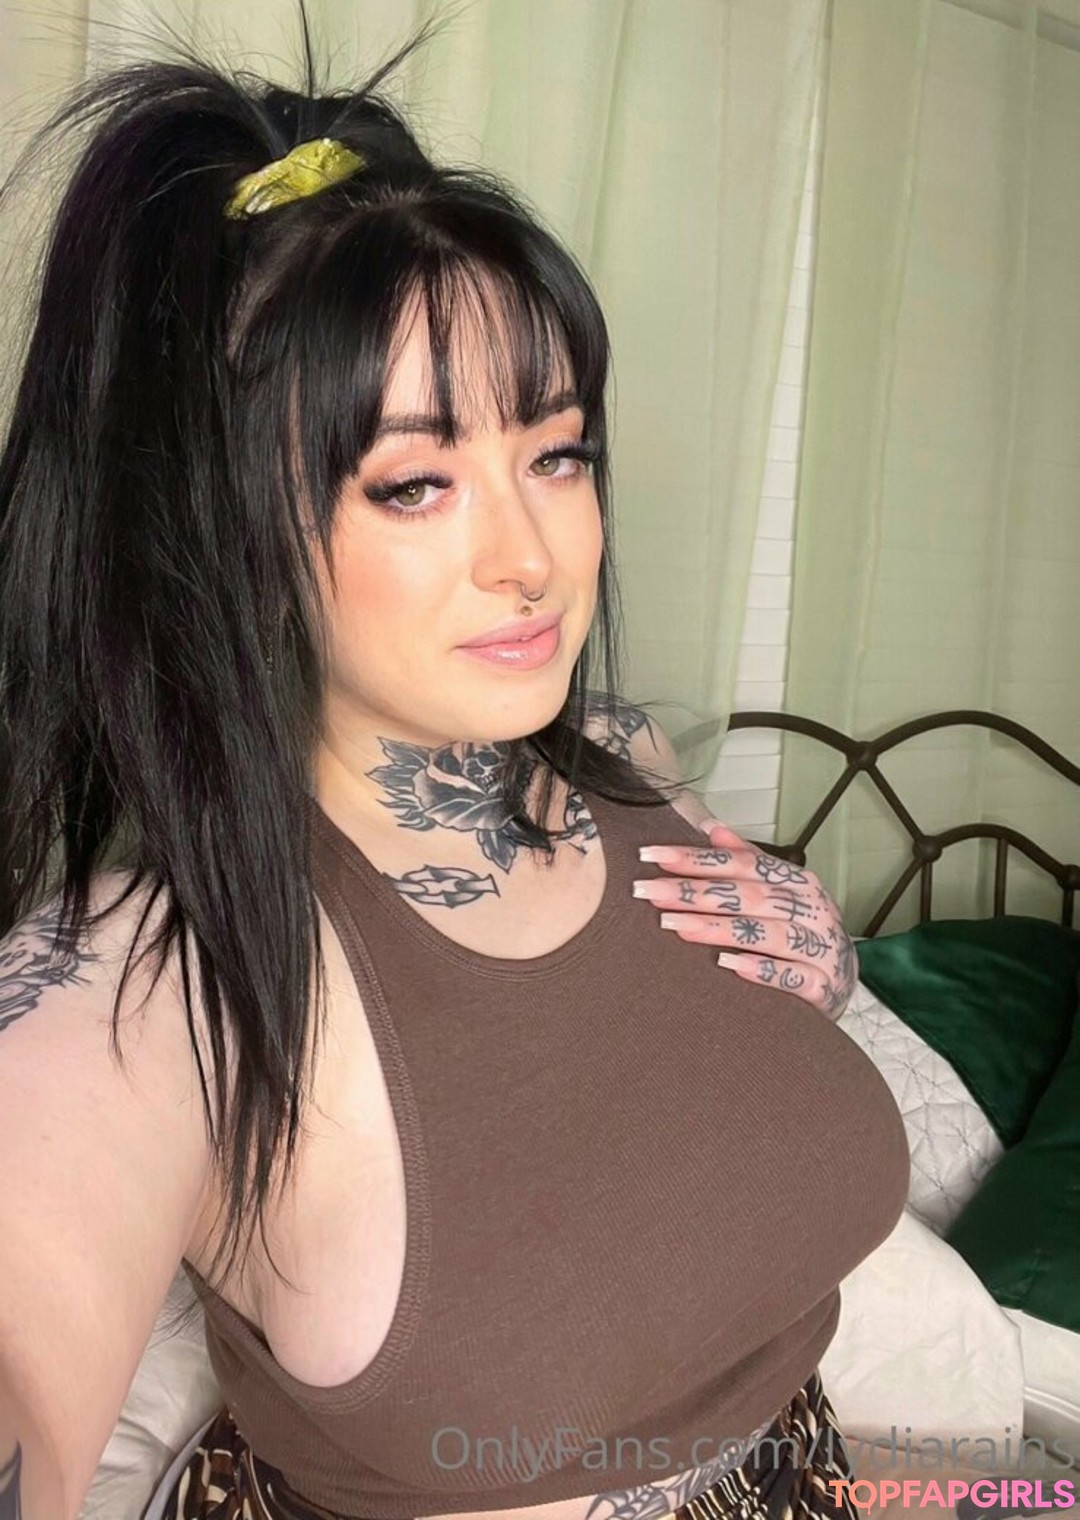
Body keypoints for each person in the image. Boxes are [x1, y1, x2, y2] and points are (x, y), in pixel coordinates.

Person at [0, 26, 908, 1520]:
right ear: (223, 526)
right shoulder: (150, 982)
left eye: (556, 454)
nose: (531, 557)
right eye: (414, 483)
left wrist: (828, 960)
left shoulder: (628, 762)